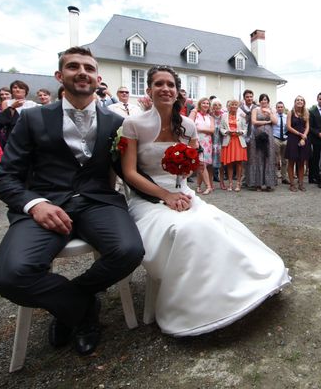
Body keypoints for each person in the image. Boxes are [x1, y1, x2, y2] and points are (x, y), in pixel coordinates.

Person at [0, 47, 144, 356]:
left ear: (98, 78)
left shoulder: (116, 122)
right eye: (74, 66)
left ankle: (69, 303)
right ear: (60, 76)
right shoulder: (32, 118)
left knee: (130, 251)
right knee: (9, 276)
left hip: (98, 203)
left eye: (89, 67)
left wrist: (170, 191)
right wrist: (35, 204)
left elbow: (129, 172)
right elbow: (5, 176)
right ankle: (82, 312)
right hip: (45, 206)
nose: (82, 71)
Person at [119, 65, 290, 336]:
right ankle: (191, 304)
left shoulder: (187, 125)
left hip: (183, 193)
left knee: (212, 222)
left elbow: (193, 164)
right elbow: (128, 172)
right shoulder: (133, 124)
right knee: (185, 229)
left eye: (170, 85)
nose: (165, 89)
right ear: (149, 89)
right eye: (158, 84)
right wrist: (165, 195)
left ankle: (226, 290)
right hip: (148, 198)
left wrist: (186, 171)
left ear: (177, 92)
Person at [247, 94, 277, 190]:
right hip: (257, 135)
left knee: (269, 157)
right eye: (262, 100)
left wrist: (269, 113)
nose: (264, 101)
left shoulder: (271, 110)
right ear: (260, 101)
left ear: (268, 101)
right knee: (257, 158)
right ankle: (257, 184)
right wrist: (267, 122)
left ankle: (268, 183)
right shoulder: (255, 110)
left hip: (268, 136)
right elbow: (254, 122)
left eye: (265, 100)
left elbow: (275, 122)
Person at [0, 80, 38, 148]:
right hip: (11, 133)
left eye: (21, 88)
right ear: (11, 91)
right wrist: (13, 107)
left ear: (26, 91)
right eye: (15, 87)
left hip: (27, 134)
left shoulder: (33, 104)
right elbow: (5, 120)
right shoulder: (6, 102)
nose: (17, 90)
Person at [220, 99, 248, 191]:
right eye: (232, 105)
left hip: (239, 141)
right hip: (228, 140)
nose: (234, 106)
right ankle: (230, 184)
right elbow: (221, 128)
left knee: (239, 163)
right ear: (229, 106)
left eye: (236, 105)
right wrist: (226, 131)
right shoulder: (224, 115)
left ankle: (238, 184)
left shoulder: (241, 116)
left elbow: (245, 129)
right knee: (229, 163)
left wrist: (240, 132)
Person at [189, 97, 214, 194]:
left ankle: (198, 186)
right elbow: (190, 124)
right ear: (200, 104)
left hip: (207, 143)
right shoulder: (195, 113)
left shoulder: (210, 117)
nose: (206, 105)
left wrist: (199, 128)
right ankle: (208, 186)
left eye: (207, 103)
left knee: (203, 165)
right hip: (197, 141)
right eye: (203, 103)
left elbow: (212, 130)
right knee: (201, 164)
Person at [285, 95, 311, 191]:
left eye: (301, 100)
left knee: (301, 163)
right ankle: (292, 184)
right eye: (297, 100)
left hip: (303, 139)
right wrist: (300, 134)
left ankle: (301, 183)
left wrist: (304, 136)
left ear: (304, 102)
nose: (299, 101)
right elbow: (288, 127)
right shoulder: (290, 113)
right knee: (291, 162)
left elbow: (307, 126)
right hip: (293, 139)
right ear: (295, 102)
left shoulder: (306, 113)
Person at [210, 99, 226, 189]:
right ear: (212, 106)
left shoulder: (223, 116)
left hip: (222, 141)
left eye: (219, 105)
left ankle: (222, 183)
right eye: (215, 105)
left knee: (222, 164)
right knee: (211, 164)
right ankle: (211, 183)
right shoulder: (209, 116)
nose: (217, 107)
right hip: (212, 142)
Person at [273, 101, 289, 184]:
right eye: (278, 107)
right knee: (275, 160)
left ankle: (284, 177)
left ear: (283, 108)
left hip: (285, 139)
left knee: (285, 160)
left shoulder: (287, 117)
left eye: (281, 107)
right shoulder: (273, 117)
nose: (280, 108)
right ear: (276, 108)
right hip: (276, 139)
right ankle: (274, 178)